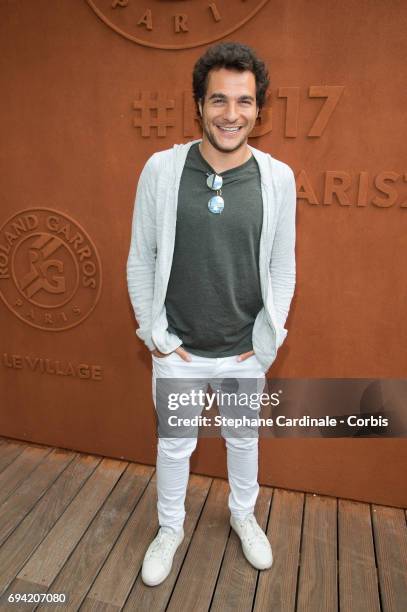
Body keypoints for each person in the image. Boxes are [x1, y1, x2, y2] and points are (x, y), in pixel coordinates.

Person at [126, 41, 297, 587]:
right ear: (198, 104)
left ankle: (244, 515)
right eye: (218, 100)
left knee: (244, 440)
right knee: (175, 444)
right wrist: (155, 334)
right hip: (179, 347)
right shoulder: (162, 169)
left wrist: (268, 336)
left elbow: (283, 267)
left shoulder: (277, 179)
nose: (231, 114)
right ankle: (170, 528)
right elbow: (141, 256)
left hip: (244, 349)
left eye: (244, 101)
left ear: (258, 109)